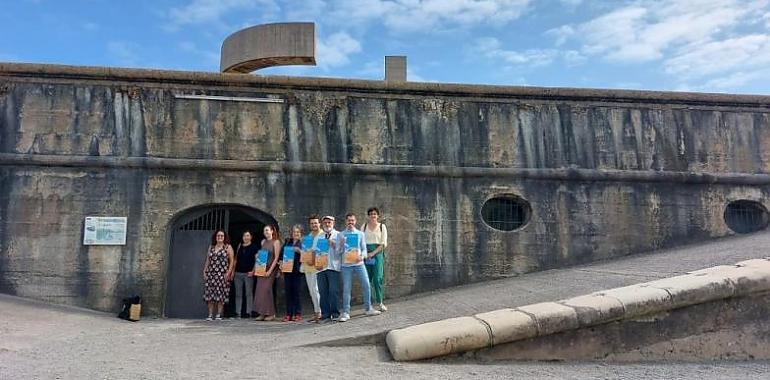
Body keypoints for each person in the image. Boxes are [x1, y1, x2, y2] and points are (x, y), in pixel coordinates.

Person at [338, 213, 381, 322]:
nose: (350, 222)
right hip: (346, 266)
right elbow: (338, 251)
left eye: (352, 220)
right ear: (345, 221)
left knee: (366, 284)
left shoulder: (360, 234)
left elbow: (364, 249)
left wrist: (362, 256)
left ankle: (368, 308)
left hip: (359, 264)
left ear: (355, 221)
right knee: (346, 288)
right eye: (348, 220)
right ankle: (346, 312)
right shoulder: (341, 235)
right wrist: (342, 244)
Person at [202, 230, 235, 321]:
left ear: (224, 237)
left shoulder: (228, 247)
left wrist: (228, 272)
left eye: (221, 236)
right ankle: (210, 314)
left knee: (221, 295)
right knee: (210, 295)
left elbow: (232, 261)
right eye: (218, 236)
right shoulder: (211, 247)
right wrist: (205, 271)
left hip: (222, 274)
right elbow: (208, 260)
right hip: (211, 273)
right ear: (215, 237)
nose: (220, 237)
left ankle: (219, 314)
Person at [315, 215, 342, 323]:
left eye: (329, 222)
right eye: (325, 222)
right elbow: (315, 251)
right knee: (323, 291)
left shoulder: (339, 235)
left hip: (334, 267)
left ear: (333, 223)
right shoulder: (319, 237)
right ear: (322, 224)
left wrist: (334, 244)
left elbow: (344, 251)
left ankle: (335, 313)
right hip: (321, 268)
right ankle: (325, 315)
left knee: (333, 291)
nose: (327, 224)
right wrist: (316, 264)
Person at [362, 207, 389, 312]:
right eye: (371, 214)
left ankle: (380, 302)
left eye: (374, 214)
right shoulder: (364, 227)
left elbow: (383, 244)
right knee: (366, 280)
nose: (373, 216)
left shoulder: (382, 227)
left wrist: (373, 253)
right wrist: (366, 253)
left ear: (378, 215)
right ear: (368, 216)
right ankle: (368, 304)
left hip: (377, 255)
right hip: (366, 255)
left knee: (377, 279)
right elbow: (361, 241)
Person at [254, 225, 281, 321]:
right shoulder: (263, 242)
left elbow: (276, 258)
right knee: (260, 291)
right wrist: (257, 256)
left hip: (271, 269)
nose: (265, 232)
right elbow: (262, 255)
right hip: (261, 268)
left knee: (267, 290)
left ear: (272, 231)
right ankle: (262, 313)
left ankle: (271, 313)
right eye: (264, 230)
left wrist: (270, 271)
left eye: (267, 230)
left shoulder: (276, 242)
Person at [232, 230, 259, 318]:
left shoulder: (254, 247)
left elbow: (257, 260)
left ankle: (249, 312)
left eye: (247, 236)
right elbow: (235, 259)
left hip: (248, 273)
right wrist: (233, 271)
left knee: (249, 293)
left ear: (251, 237)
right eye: (244, 236)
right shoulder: (240, 246)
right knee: (238, 294)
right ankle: (238, 312)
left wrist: (253, 271)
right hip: (238, 273)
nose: (246, 237)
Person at [280, 225, 304, 322]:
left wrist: (299, 251)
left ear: (301, 234)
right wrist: (281, 262)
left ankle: (297, 314)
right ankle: (289, 314)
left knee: (297, 293)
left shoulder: (302, 243)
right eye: (294, 232)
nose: (296, 234)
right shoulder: (287, 242)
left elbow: (307, 256)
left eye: (298, 232)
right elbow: (281, 255)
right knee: (288, 292)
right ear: (292, 233)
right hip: (287, 271)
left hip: (297, 271)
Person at [302, 215, 323, 322]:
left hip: (319, 266)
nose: (314, 225)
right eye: (312, 223)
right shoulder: (308, 237)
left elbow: (324, 252)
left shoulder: (324, 235)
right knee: (311, 290)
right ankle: (316, 312)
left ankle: (320, 312)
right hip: (308, 266)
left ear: (319, 224)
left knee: (316, 289)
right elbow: (305, 252)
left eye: (316, 223)